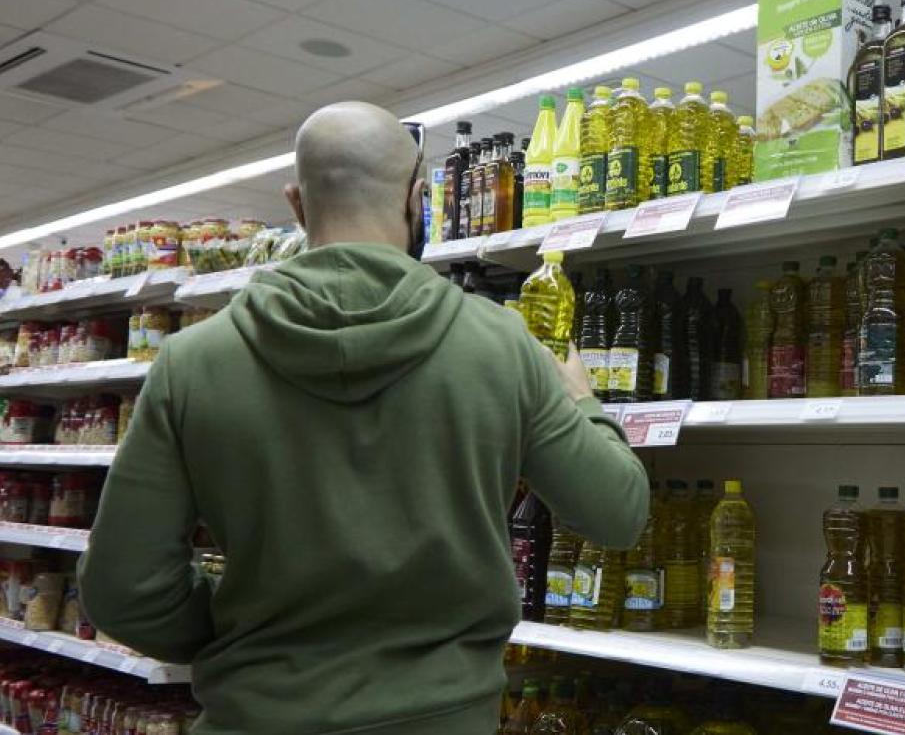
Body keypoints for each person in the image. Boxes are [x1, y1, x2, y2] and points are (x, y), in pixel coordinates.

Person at [78, 101, 650, 735]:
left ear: (296, 204)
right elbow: (617, 511)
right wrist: (580, 399)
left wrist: (242, 628)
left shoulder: (192, 362)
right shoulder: (501, 345)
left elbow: (121, 589)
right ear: (418, 196)